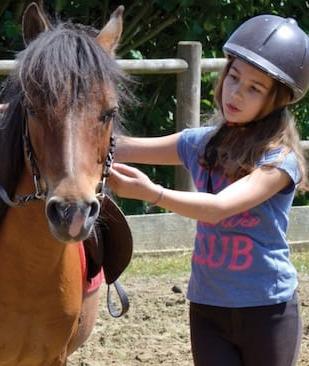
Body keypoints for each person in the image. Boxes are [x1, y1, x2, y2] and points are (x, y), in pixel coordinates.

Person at [108, 15, 309, 366]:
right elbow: (121, 146)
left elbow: (219, 207)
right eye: (233, 77)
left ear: (277, 100)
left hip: (268, 310)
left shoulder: (280, 160)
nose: (235, 93)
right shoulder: (199, 144)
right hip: (207, 308)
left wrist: (152, 192)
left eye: (254, 88)